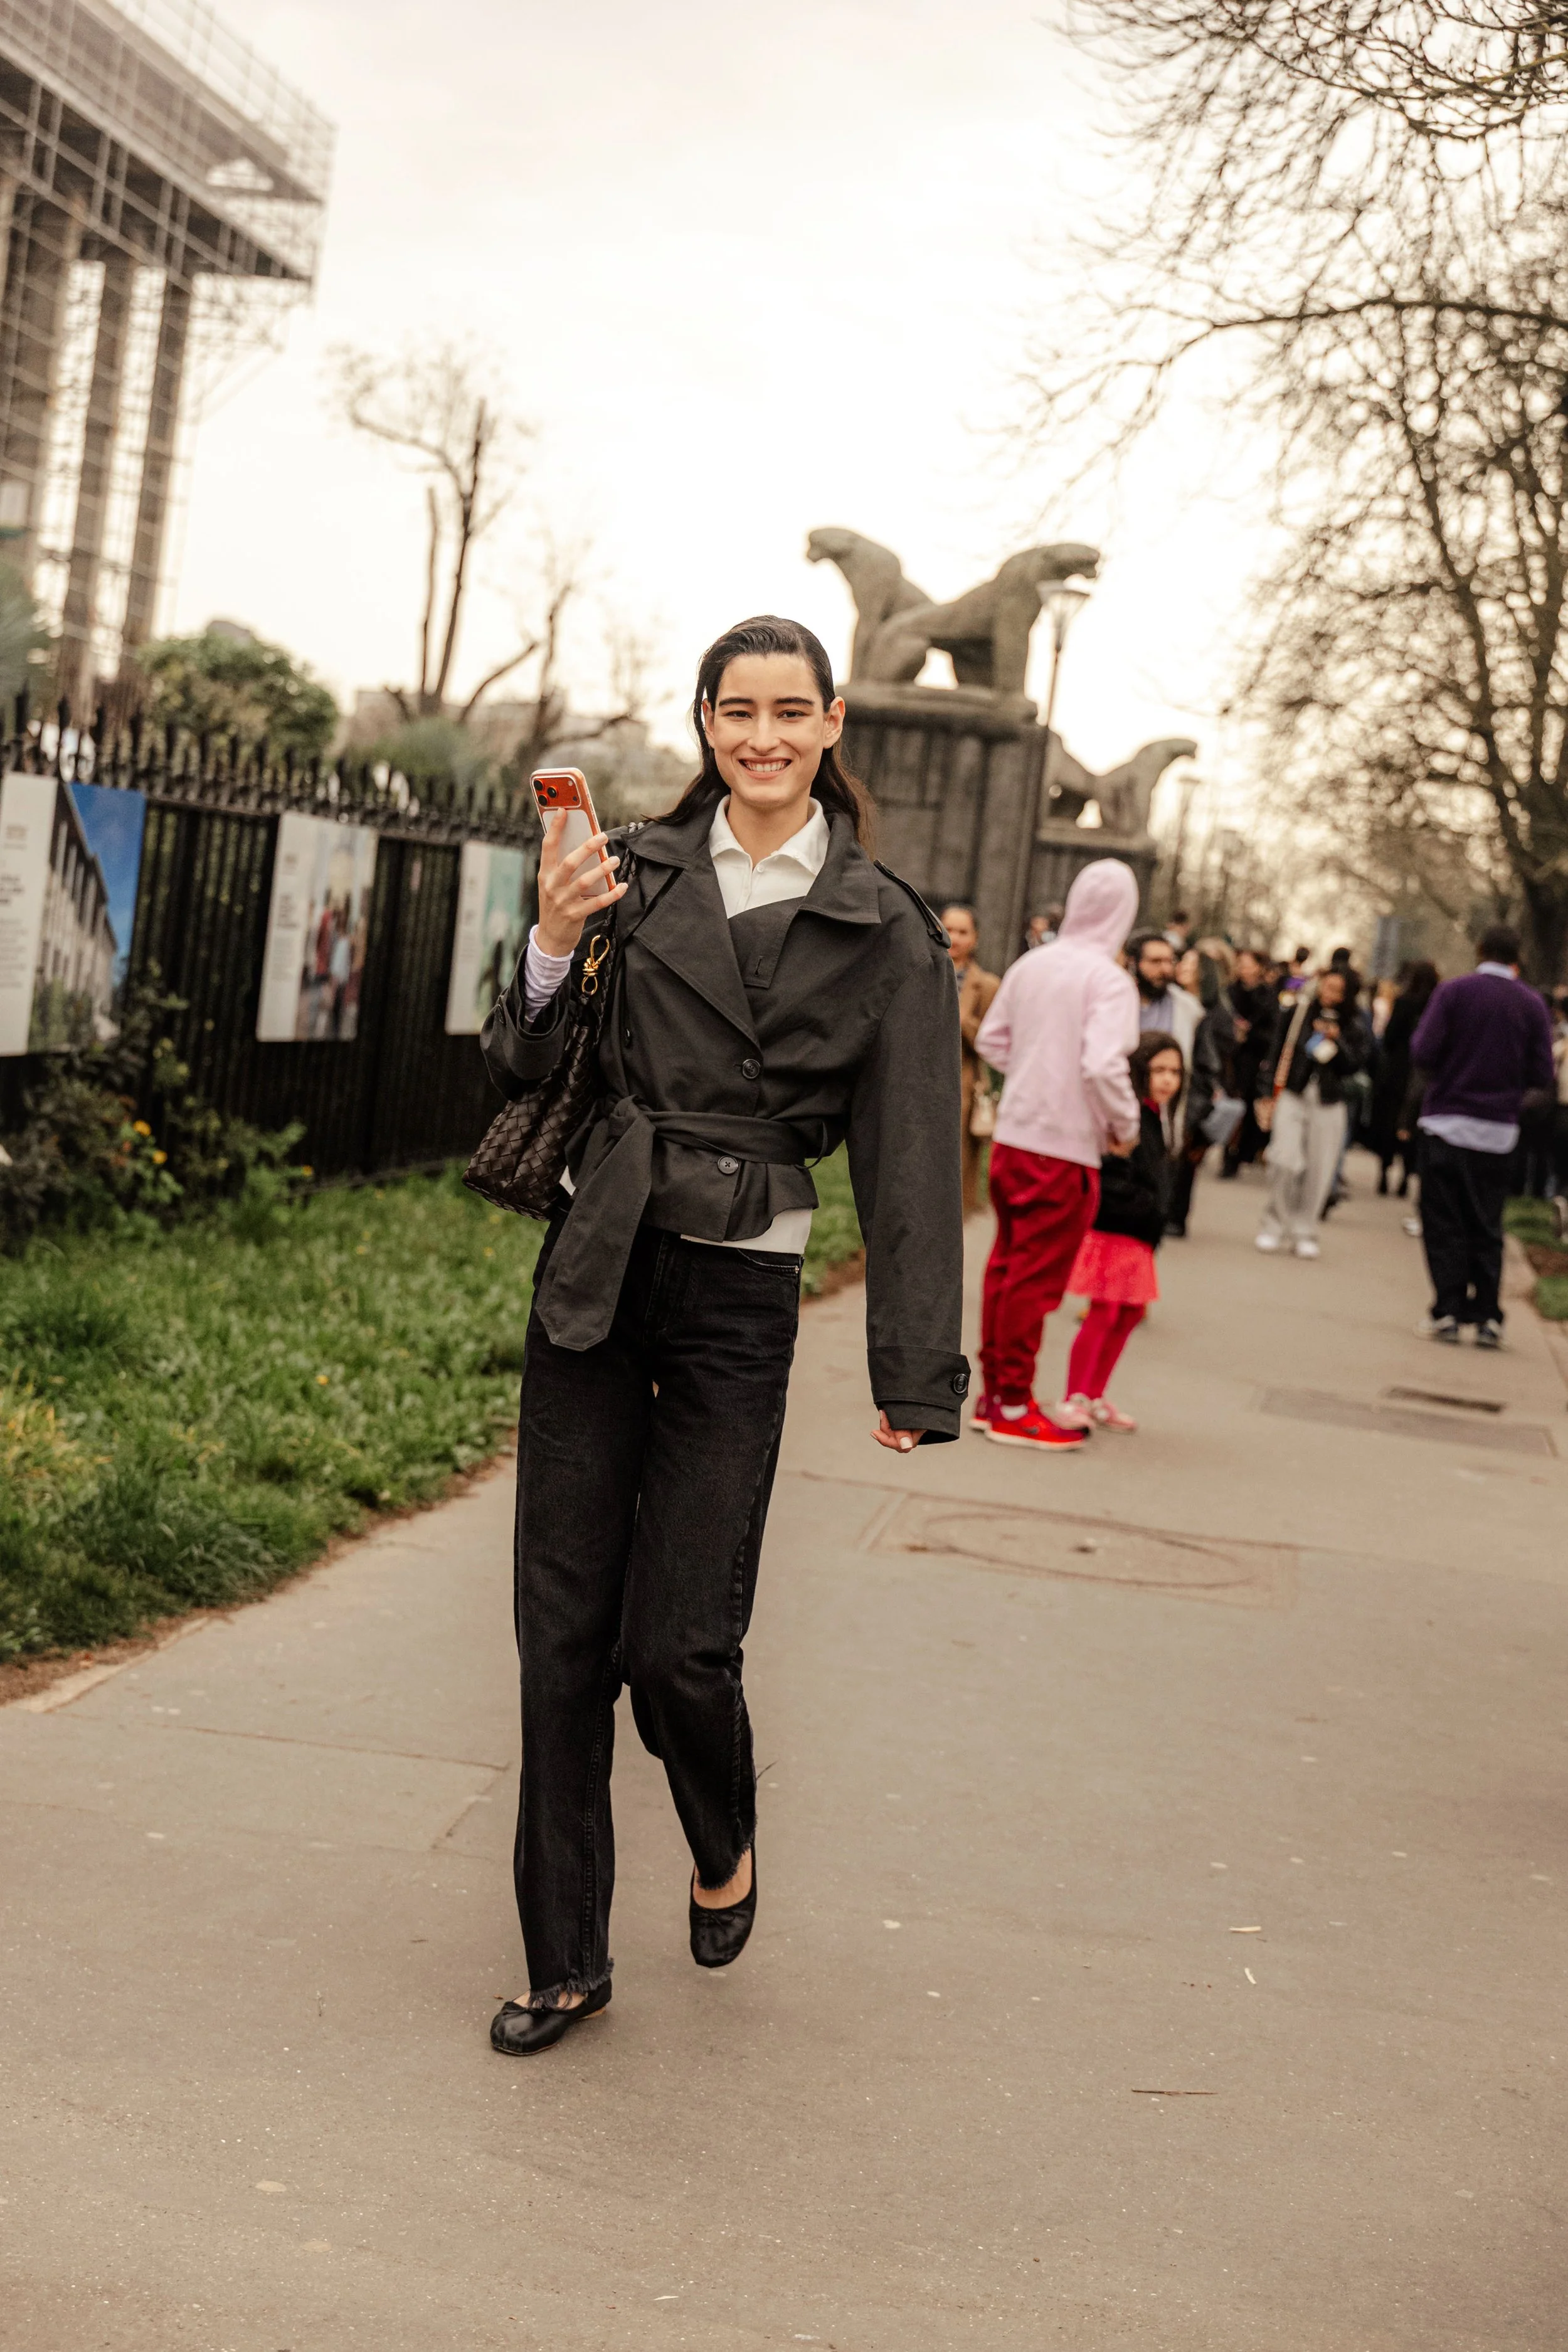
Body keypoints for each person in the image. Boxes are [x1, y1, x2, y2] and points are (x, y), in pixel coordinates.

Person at [479, 615, 967, 2053]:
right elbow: (515, 1055)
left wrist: (916, 1369)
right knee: (562, 1639)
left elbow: (912, 1157)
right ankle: (564, 1955)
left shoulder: (886, 925)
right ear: (704, 723)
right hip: (598, 1272)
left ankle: (719, 1825)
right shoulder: (626, 868)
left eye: (788, 709)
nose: (760, 733)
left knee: (683, 1644)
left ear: (830, 726)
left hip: (738, 1301)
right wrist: (555, 942)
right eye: (734, 708)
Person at [972, 859, 1142, 1450]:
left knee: (1007, 1268)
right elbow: (1101, 1063)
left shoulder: (1033, 963)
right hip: (1065, 1147)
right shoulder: (1109, 980)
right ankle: (1014, 1405)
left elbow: (993, 1039)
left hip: (1016, 1136)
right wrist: (1124, 1122)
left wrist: (1034, 1078)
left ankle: (995, 1395)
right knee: (1036, 1282)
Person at [1409, 923, 1554, 1345]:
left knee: (1444, 1220)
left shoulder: (1454, 993)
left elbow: (1423, 1051)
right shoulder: (1530, 1005)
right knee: (1486, 1221)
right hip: (1498, 1131)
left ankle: (1448, 1309)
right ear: (1517, 957)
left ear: (1479, 950)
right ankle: (1489, 1313)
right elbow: (1542, 1073)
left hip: (1447, 1121)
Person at [1060, 1032, 1183, 1431]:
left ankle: (1095, 1395)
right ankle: (1074, 1397)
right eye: (1159, 1070)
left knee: (1128, 1314)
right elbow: (1112, 1170)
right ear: (1140, 1070)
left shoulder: (1156, 1115)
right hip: (1117, 1227)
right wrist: (1143, 1207)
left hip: (1140, 1232)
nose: (1168, 1079)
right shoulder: (1128, 1113)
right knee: (1106, 1311)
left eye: (1175, 1072)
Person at [1254, 966, 1369, 1258]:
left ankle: (1305, 1230)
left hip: (1330, 1101)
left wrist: (1337, 1041)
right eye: (1325, 987)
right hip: (1293, 1093)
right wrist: (1267, 1091)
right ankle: (1274, 1224)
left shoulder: (1356, 1022)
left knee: (1320, 1168)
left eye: (1337, 991)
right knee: (1284, 1159)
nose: (1328, 995)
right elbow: (1277, 1049)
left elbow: (1356, 1064)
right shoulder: (1299, 1013)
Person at [943, 901, 1000, 1217]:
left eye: (963, 931)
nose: (954, 937)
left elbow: (994, 1043)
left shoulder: (988, 985)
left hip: (964, 1083)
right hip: (919, 1080)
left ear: (975, 938)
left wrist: (963, 1019)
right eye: (948, 928)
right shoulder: (920, 970)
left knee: (956, 1166)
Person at [1368, 961, 1439, 1195]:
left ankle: (1384, 1173)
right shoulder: (1436, 1005)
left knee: (1390, 1123)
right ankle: (1406, 1177)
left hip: (1398, 1073)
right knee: (1416, 1127)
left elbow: (1389, 1038)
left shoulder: (1404, 1002)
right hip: (1424, 1075)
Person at [1219, 947, 1277, 1177]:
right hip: (1231, 1059)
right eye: (1240, 964)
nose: (1242, 968)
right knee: (1230, 1105)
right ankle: (1227, 1154)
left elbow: (1272, 1034)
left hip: (1253, 1061)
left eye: (1247, 964)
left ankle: (1241, 1153)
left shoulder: (1268, 996)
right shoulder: (1230, 992)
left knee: (1248, 1110)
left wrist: (1249, 1033)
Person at [1127, 928, 1202, 1061]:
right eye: (1156, 961)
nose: (1166, 969)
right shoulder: (1118, 1004)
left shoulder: (1188, 1008)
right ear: (1133, 963)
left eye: (1169, 961)